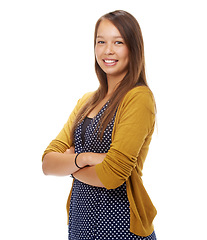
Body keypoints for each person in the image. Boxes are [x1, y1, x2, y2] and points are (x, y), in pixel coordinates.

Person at [42, 10, 157, 240]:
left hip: (121, 229)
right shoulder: (86, 101)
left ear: (133, 48)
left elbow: (113, 175)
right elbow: (47, 162)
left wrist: (68, 165)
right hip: (80, 226)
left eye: (118, 42)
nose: (108, 50)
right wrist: (84, 159)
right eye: (101, 41)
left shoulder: (138, 98)